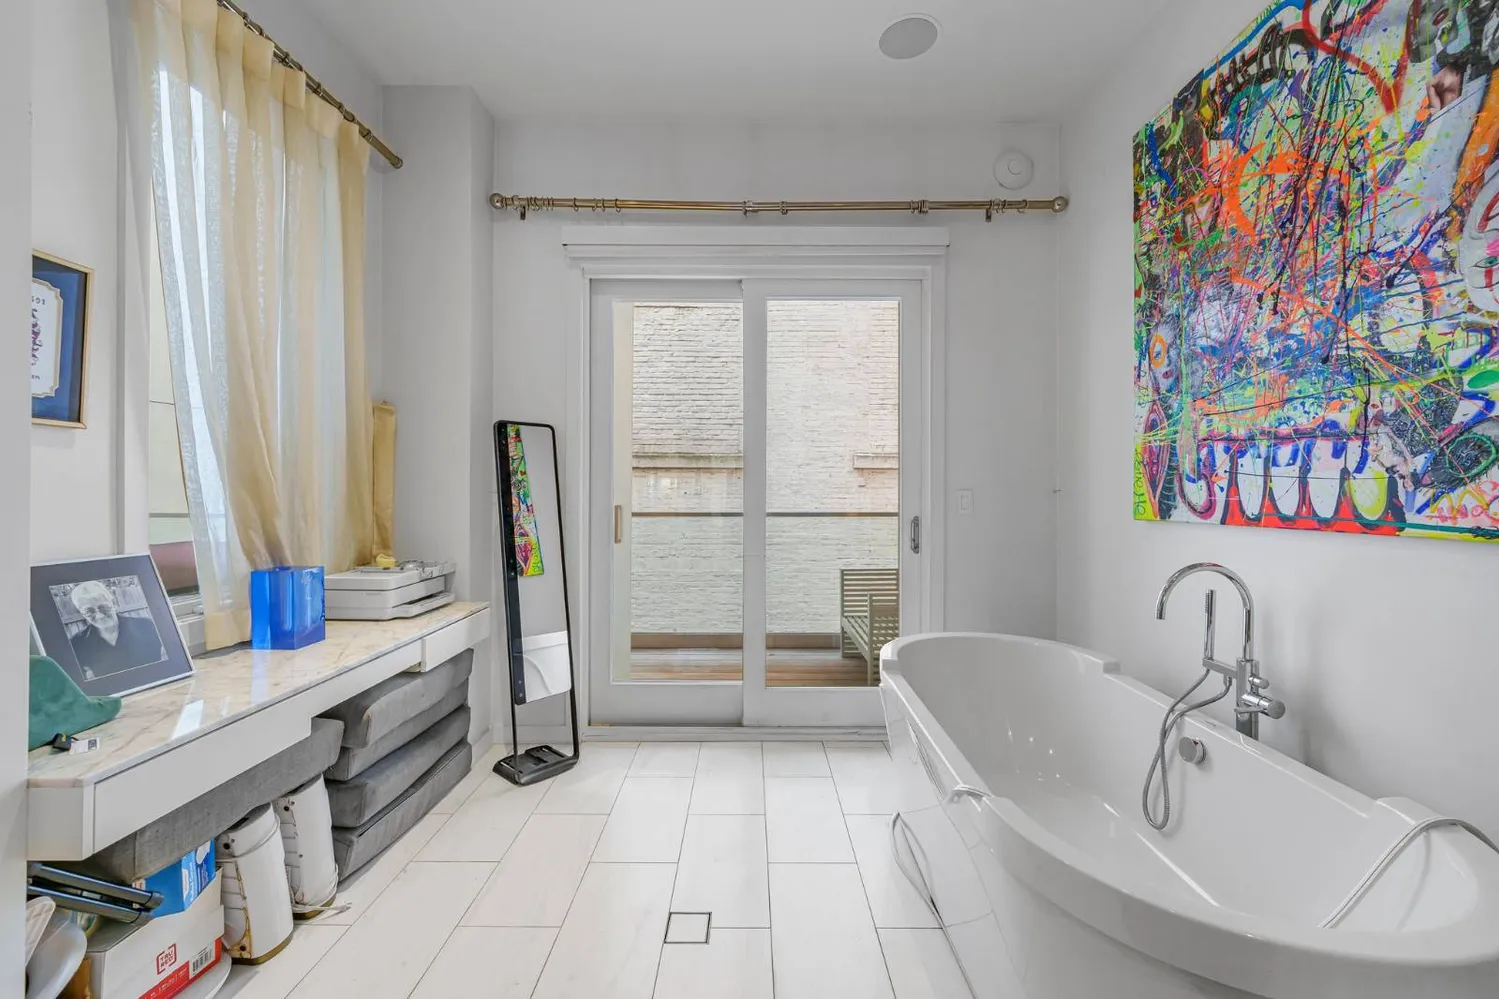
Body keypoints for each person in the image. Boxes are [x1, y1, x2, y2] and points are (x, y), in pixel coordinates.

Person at [67, 580, 165, 680]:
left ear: (113, 603)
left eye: (104, 607)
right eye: (89, 611)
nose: (99, 616)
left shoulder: (146, 626)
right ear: (82, 614)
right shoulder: (76, 644)